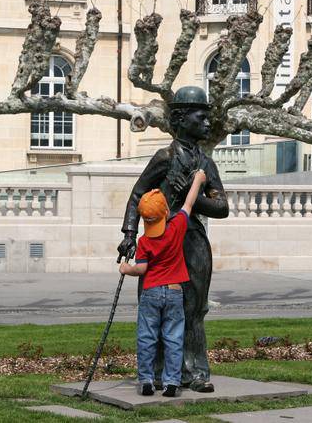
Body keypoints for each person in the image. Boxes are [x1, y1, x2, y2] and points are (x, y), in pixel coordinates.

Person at [117, 86, 229, 393]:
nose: (208, 123)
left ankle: (195, 372)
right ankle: (156, 372)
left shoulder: (206, 164)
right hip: (161, 241)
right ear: (180, 119)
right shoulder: (163, 157)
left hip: (192, 242)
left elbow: (222, 207)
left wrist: (190, 194)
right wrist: (129, 234)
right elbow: (137, 194)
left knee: (195, 309)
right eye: (201, 116)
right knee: (155, 311)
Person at [119, 170, 207, 397]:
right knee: (173, 338)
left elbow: (142, 269)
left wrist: (126, 269)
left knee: (147, 337)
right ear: (166, 211)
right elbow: (188, 203)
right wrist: (198, 180)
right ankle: (171, 383)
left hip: (151, 293)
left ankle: (147, 380)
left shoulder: (145, 241)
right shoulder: (176, 228)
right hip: (175, 292)